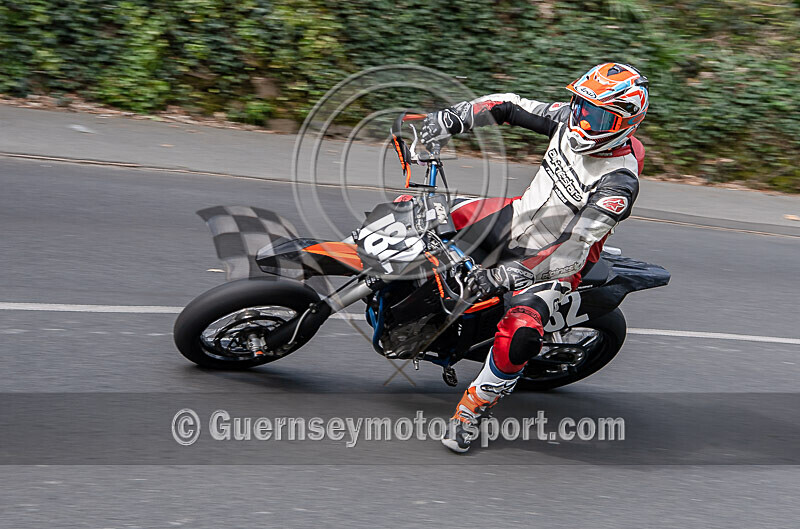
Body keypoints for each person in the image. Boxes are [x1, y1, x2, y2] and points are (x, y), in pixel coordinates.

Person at [418, 63, 649, 453]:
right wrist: (450, 118)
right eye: (580, 104)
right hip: (517, 216)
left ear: (625, 122)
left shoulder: (618, 182)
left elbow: (575, 244)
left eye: (596, 114)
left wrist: (511, 274)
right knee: (423, 218)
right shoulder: (568, 118)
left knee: (520, 334)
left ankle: (471, 410)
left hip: (557, 260)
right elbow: (506, 104)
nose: (582, 119)